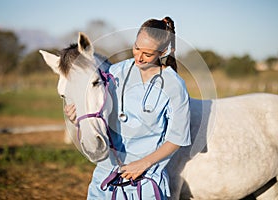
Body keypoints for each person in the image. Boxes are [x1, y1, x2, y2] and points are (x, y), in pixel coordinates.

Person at [65, 16, 191, 199]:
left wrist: (143, 164)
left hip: (146, 181)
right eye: (136, 48)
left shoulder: (174, 86)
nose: (139, 57)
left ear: (162, 52)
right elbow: (96, 108)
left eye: (147, 54)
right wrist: (76, 116)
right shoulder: (114, 72)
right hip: (106, 176)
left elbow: (177, 138)